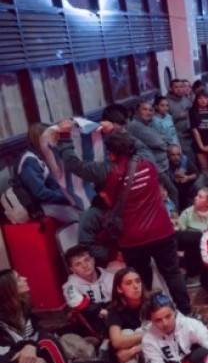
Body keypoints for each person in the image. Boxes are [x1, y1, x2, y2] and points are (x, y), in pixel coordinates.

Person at [54, 126, 192, 315]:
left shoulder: (105, 170)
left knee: (140, 278)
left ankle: (148, 316)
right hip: (162, 231)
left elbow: (74, 165)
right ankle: (187, 313)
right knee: (172, 273)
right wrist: (118, 129)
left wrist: (64, 137)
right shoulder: (147, 160)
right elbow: (140, 144)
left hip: (132, 239)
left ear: (110, 154)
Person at [0, 269, 105, 363]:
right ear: (9, 289)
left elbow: (39, 331)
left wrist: (31, 346)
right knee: (48, 342)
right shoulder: (2, 322)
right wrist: (31, 354)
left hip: (44, 360)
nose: (25, 278)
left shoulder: (23, 306)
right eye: (18, 279)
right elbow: (6, 358)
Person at [62, 244, 114, 338]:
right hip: (92, 319)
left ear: (93, 260)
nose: (85, 265)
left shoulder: (110, 276)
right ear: (72, 269)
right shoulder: (69, 286)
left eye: (87, 260)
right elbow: (80, 305)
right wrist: (102, 311)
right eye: (78, 264)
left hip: (112, 310)